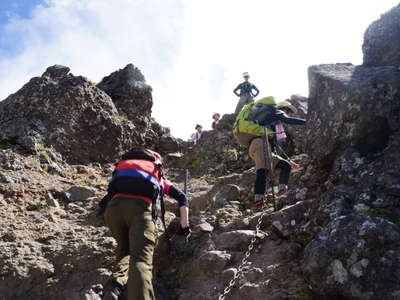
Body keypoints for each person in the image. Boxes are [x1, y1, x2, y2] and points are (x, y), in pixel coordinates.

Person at [98, 148, 190, 300]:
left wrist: (103, 212)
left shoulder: (124, 170)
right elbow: (182, 198)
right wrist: (184, 227)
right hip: (140, 211)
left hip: (113, 211)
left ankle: (114, 287)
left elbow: (107, 197)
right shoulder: (158, 177)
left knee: (125, 250)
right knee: (141, 260)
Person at [233, 96, 305, 207]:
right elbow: (289, 120)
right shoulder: (276, 111)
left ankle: (281, 190)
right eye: (289, 111)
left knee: (285, 165)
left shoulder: (269, 125)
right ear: (284, 108)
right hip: (260, 143)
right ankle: (258, 201)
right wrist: (308, 122)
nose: (289, 114)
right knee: (263, 171)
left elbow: (275, 146)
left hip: (258, 146)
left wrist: (289, 160)